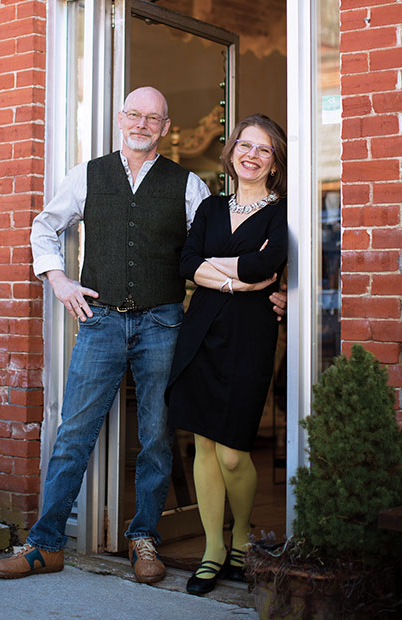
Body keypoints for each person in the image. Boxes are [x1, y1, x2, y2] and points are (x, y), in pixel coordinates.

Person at [0, 89, 286, 585]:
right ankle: (45, 544)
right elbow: (45, 225)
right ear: (119, 118)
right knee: (73, 433)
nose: (142, 124)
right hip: (101, 320)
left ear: (166, 127)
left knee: (156, 438)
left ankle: (144, 539)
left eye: (153, 118)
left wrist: (278, 291)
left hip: (166, 322)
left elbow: (215, 246)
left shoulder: (189, 185)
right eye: (134, 114)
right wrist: (58, 279)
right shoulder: (87, 175)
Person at [166, 114, 288, 596]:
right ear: (232, 151)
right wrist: (242, 280)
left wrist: (216, 270)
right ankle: (214, 549)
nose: (252, 155)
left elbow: (268, 261)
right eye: (245, 145)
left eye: (264, 149)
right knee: (203, 446)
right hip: (200, 333)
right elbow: (186, 263)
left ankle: (243, 534)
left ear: (274, 162)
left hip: (250, 335)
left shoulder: (282, 212)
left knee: (234, 452)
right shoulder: (212, 208)